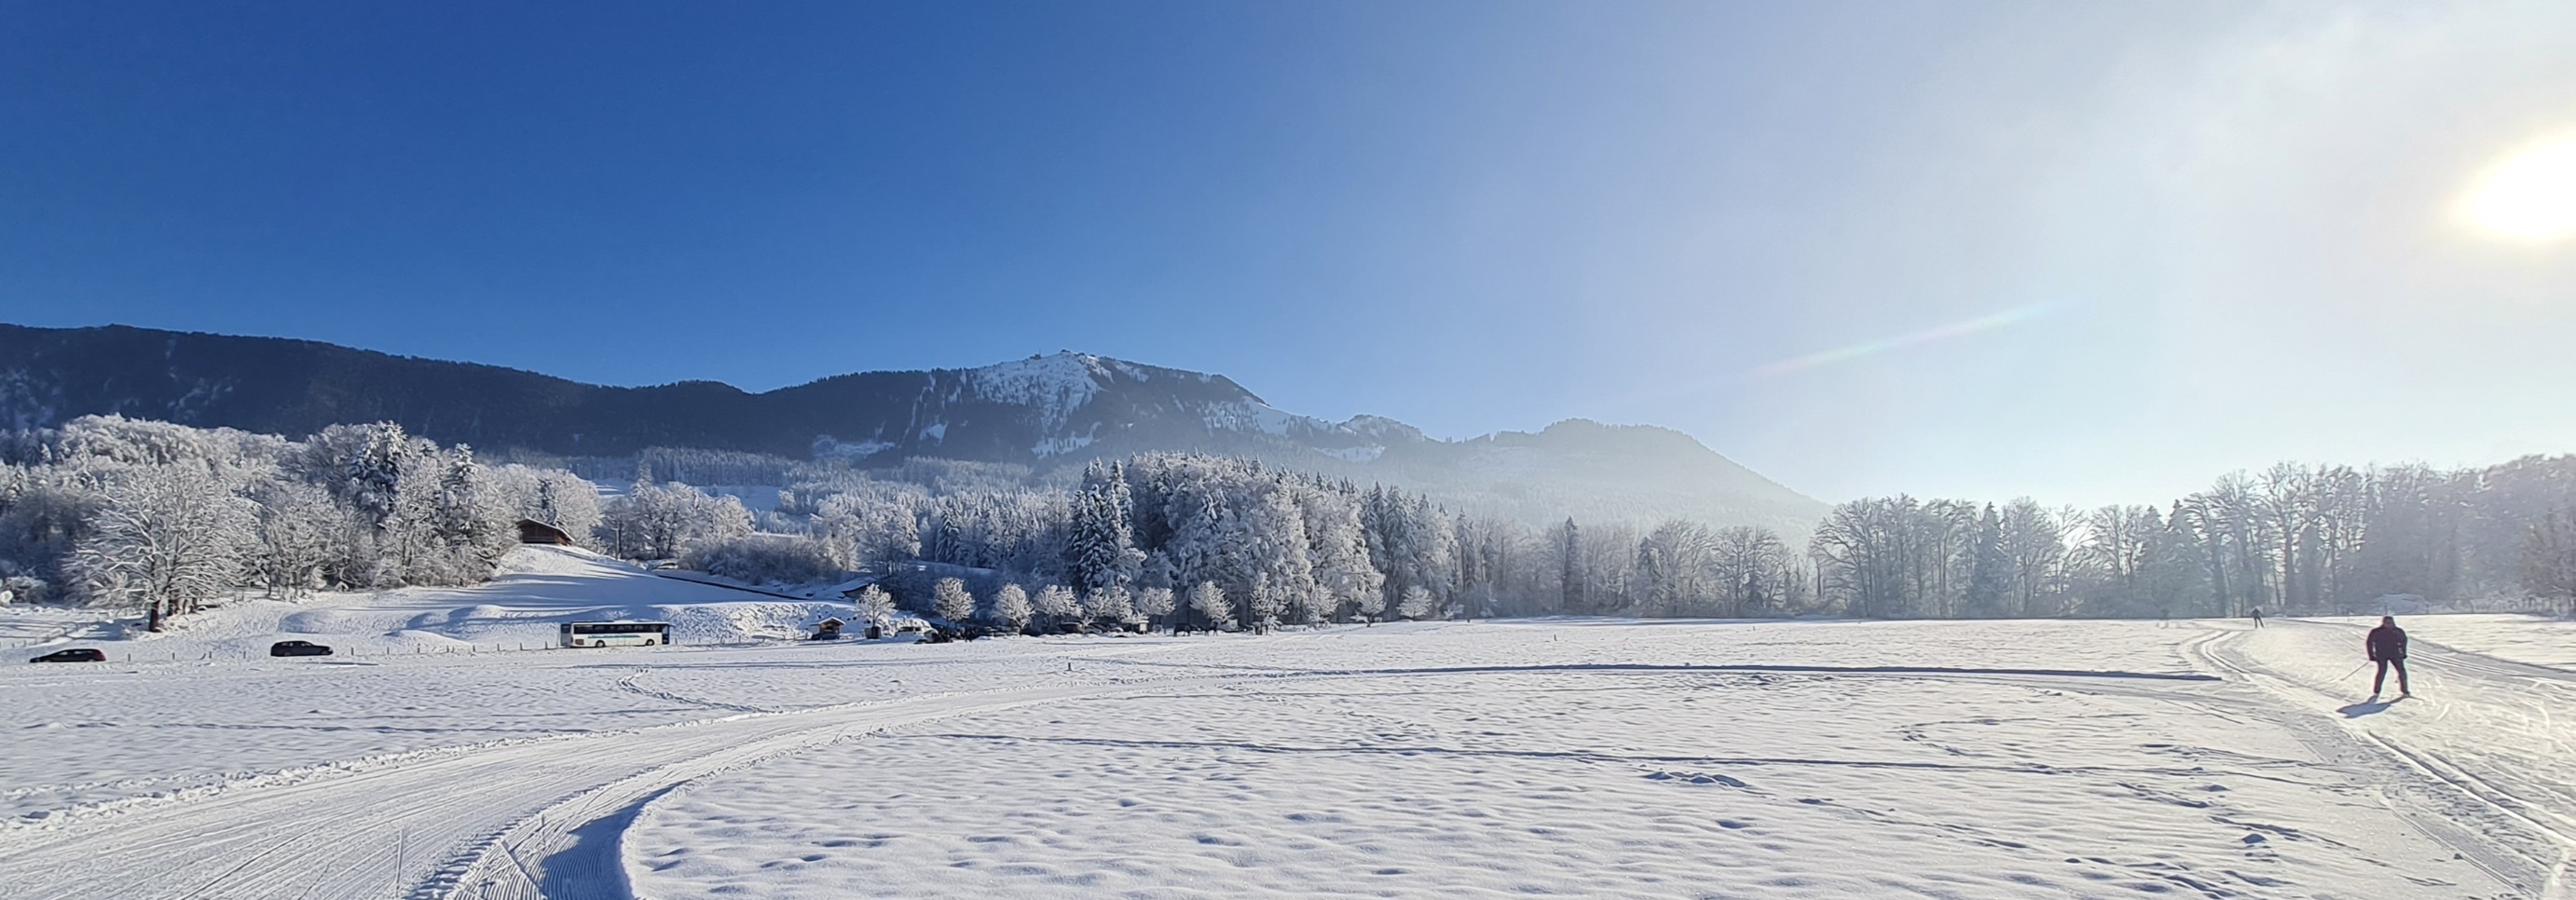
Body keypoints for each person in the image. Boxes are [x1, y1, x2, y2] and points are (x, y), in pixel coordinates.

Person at [2367, 616, 2411, 698]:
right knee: (2382, 672)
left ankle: (2405, 690)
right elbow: (2369, 643)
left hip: (2395, 654)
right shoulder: (2376, 631)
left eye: (2390, 622)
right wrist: (2371, 655)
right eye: (2386, 622)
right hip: (2381, 655)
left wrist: (2403, 652)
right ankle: (2377, 690)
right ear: (2383, 623)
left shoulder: (2398, 631)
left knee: (2402, 672)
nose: (2388, 624)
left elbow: (2404, 641)